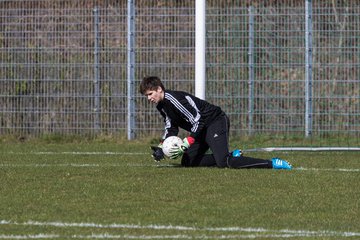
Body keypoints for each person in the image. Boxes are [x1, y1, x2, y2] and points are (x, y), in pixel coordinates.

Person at [139, 76, 292, 170]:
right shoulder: (161, 105)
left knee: (224, 162)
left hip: (215, 121)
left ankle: (272, 163)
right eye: (146, 96)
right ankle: (232, 155)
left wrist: (188, 141)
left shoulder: (174, 99)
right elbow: (170, 126)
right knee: (187, 161)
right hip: (202, 128)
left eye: (150, 94)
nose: (149, 98)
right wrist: (161, 146)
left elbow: (198, 119)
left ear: (159, 89)